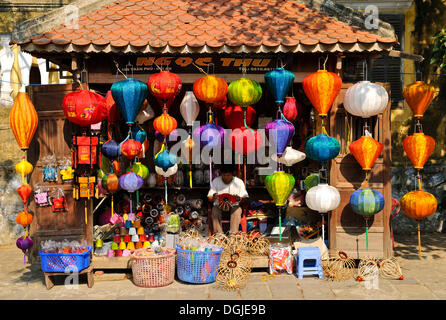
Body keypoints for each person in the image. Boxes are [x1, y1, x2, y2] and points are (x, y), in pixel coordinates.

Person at [207, 164, 248, 234]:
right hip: (219, 207)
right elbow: (209, 197)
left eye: (228, 175)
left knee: (237, 210)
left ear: (232, 174)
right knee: (214, 210)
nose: (226, 177)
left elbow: (245, 198)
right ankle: (218, 236)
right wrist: (213, 197)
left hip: (233, 207)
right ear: (221, 174)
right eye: (224, 175)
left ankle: (233, 235)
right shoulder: (216, 181)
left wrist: (239, 199)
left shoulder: (239, 182)